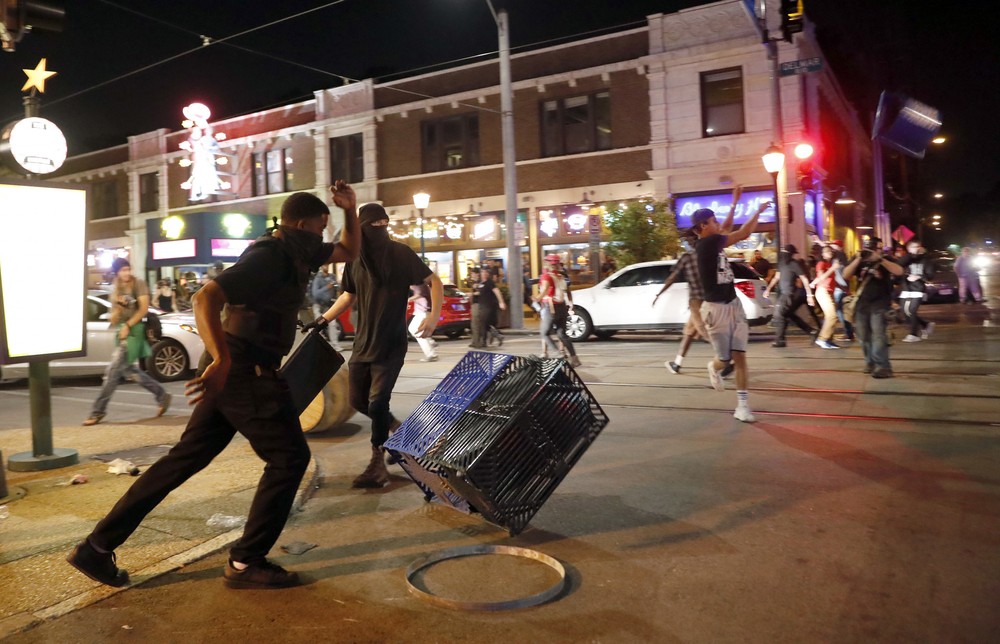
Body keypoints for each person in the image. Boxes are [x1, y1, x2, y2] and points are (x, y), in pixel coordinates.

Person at [68, 182, 360, 590]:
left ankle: (95, 548)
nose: (322, 237)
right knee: (289, 458)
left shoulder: (297, 249)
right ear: (297, 224)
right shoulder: (269, 255)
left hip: (236, 371)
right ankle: (246, 562)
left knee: (183, 459)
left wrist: (351, 208)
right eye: (318, 227)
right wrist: (221, 359)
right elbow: (207, 297)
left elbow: (348, 251)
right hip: (244, 371)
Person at [311, 202, 443, 488]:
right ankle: (398, 430)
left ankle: (376, 461)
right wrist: (322, 320)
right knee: (357, 400)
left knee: (378, 401)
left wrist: (433, 316)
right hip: (362, 344)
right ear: (362, 228)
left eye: (384, 224)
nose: (380, 230)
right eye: (374, 226)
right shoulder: (355, 259)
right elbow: (348, 295)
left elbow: (434, 281)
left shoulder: (400, 253)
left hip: (391, 343)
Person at [692, 199, 770, 423]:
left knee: (741, 357)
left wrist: (735, 202)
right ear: (704, 226)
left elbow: (725, 227)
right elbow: (743, 233)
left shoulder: (712, 240)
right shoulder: (707, 245)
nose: (718, 224)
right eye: (713, 221)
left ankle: (743, 406)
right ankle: (713, 367)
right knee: (724, 361)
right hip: (716, 311)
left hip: (734, 305)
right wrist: (758, 210)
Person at [82, 258, 172, 427]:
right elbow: (115, 316)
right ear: (116, 272)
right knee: (130, 371)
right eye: (122, 270)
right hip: (122, 331)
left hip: (135, 331)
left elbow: (144, 309)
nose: (126, 273)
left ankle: (97, 411)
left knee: (112, 372)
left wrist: (128, 325)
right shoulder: (115, 287)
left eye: (128, 269)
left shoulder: (139, 284)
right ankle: (161, 394)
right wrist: (117, 309)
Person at [842, 242, 904, 378]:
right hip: (862, 304)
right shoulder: (860, 259)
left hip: (880, 303)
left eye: (876, 249)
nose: (872, 252)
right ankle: (869, 362)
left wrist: (880, 259)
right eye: (870, 250)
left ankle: (883, 366)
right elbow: (845, 275)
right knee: (863, 335)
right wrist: (858, 258)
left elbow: (899, 271)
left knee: (878, 335)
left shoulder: (886, 260)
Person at [764, 244, 817, 347]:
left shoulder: (794, 264)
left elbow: (804, 279)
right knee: (788, 314)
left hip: (789, 294)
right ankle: (811, 331)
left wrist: (809, 295)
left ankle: (780, 340)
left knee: (779, 314)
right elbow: (776, 278)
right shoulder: (782, 264)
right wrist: (768, 289)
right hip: (784, 293)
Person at [535, 253, 581, 367]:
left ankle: (557, 353)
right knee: (562, 334)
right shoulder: (562, 276)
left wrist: (537, 298)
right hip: (562, 307)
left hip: (551, 308)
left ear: (547, 263)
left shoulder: (546, 276)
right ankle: (574, 358)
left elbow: (545, 289)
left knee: (544, 332)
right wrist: (570, 304)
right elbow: (567, 292)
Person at [897, 239, 935, 342]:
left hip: (918, 289)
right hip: (905, 288)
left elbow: (930, 275)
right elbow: (898, 265)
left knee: (911, 310)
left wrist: (919, 276)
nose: (917, 249)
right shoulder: (906, 259)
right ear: (909, 249)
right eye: (914, 247)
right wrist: (910, 255)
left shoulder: (926, 260)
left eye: (918, 247)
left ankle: (913, 334)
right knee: (905, 312)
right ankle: (925, 324)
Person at [809, 244, 841, 349]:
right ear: (823, 254)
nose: (830, 254)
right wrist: (833, 268)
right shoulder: (821, 264)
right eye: (828, 252)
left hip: (829, 292)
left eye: (831, 252)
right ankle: (822, 339)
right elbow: (822, 277)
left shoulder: (828, 264)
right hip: (823, 291)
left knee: (831, 316)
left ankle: (828, 340)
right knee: (832, 316)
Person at [476, 265, 506, 348]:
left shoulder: (490, 282)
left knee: (484, 323)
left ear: (488, 274)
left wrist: (501, 302)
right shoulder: (481, 283)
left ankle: (485, 341)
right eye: (482, 272)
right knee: (485, 324)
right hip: (482, 306)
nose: (484, 274)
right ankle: (497, 336)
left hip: (489, 306)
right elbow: (481, 293)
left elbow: (497, 291)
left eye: (486, 272)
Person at [408, 282, 439, 362]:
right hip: (421, 312)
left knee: (416, 332)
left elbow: (418, 295)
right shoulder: (420, 288)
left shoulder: (420, 289)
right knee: (413, 329)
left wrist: (408, 299)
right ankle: (430, 342)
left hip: (423, 312)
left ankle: (431, 354)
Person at [310, 263, 339, 343]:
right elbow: (315, 293)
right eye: (324, 265)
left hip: (328, 305)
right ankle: (319, 344)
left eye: (327, 265)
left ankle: (335, 345)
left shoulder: (332, 276)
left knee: (332, 324)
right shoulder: (318, 279)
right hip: (319, 305)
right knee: (319, 325)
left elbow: (336, 288)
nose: (326, 267)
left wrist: (336, 285)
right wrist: (327, 287)